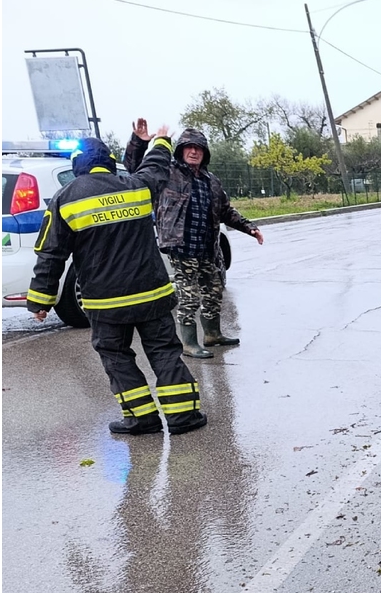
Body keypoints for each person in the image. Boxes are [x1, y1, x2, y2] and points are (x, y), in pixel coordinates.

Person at [26, 132, 207, 436]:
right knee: (164, 352)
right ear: (110, 162)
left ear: (78, 165)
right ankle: (183, 417)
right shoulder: (136, 185)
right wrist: (160, 140)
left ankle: (141, 419)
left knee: (117, 357)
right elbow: (156, 167)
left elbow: (51, 254)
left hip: (105, 303)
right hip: (153, 294)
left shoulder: (66, 198)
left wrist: (40, 301)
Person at [125, 120, 264, 359]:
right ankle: (189, 343)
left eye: (198, 148)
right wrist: (139, 142)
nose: (193, 151)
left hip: (208, 248)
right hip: (182, 247)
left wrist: (249, 228)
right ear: (180, 151)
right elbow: (134, 168)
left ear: (204, 152)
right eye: (188, 147)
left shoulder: (212, 181)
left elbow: (226, 211)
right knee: (189, 297)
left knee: (214, 291)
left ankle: (212, 335)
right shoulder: (167, 173)